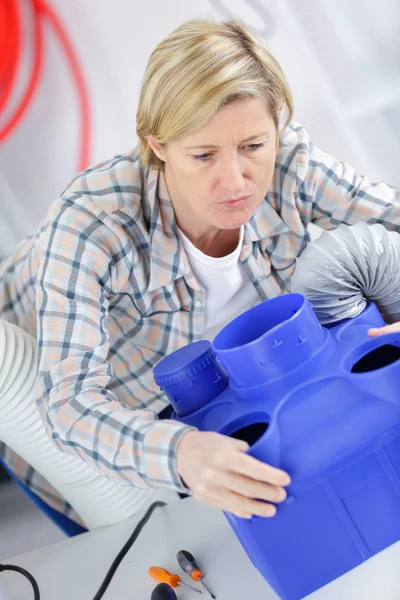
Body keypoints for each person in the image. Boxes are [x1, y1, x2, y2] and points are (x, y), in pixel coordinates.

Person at [1, 18, 400, 525]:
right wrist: (181, 454)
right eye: (204, 155)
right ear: (157, 146)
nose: (235, 181)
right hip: (59, 405)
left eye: (253, 146)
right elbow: (68, 406)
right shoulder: (93, 224)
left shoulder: (290, 164)